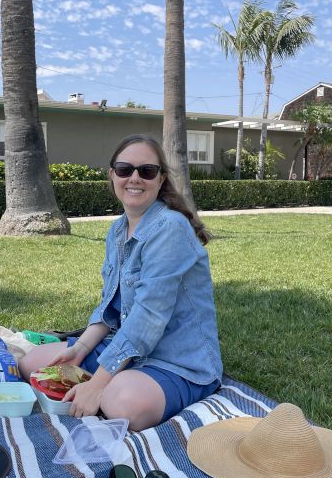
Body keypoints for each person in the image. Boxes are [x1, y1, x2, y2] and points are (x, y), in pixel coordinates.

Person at [18, 133, 223, 431]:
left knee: (122, 403)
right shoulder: (118, 230)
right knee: (32, 364)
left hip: (175, 360)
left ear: (161, 179)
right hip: (125, 349)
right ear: (112, 174)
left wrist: (98, 384)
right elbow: (109, 306)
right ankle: (104, 383)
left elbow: (149, 317)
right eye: (125, 169)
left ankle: (107, 387)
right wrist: (81, 349)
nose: (135, 178)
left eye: (147, 171)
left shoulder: (171, 229)